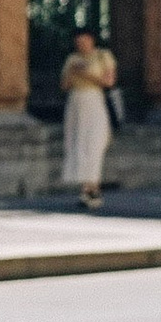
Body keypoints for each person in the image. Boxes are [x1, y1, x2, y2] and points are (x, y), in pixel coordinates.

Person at [59, 27, 117, 207]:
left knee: (95, 143)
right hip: (76, 102)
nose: (81, 45)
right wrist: (73, 72)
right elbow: (64, 85)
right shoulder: (72, 59)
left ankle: (93, 186)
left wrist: (88, 74)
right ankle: (87, 189)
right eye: (78, 42)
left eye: (84, 41)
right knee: (78, 143)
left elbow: (109, 82)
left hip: (94, 100)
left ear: (91, 40)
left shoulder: (102, 56)